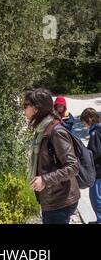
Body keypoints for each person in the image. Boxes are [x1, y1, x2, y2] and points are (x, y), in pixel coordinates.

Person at [23, 89, 79, 224]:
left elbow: (73, 167)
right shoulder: (42, 130)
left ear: (36, 109)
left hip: (60, 201)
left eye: (26, 106)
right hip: (53, 198)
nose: (23, 110)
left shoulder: (56, 132)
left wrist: (44, 180)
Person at [82, 108, 101, 223]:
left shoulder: (95, 133)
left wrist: (84, 153)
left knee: (95, 198)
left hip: (98, 172)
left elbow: (95, 152)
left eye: (84, 123)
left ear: (89, 119)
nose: (84, 126)